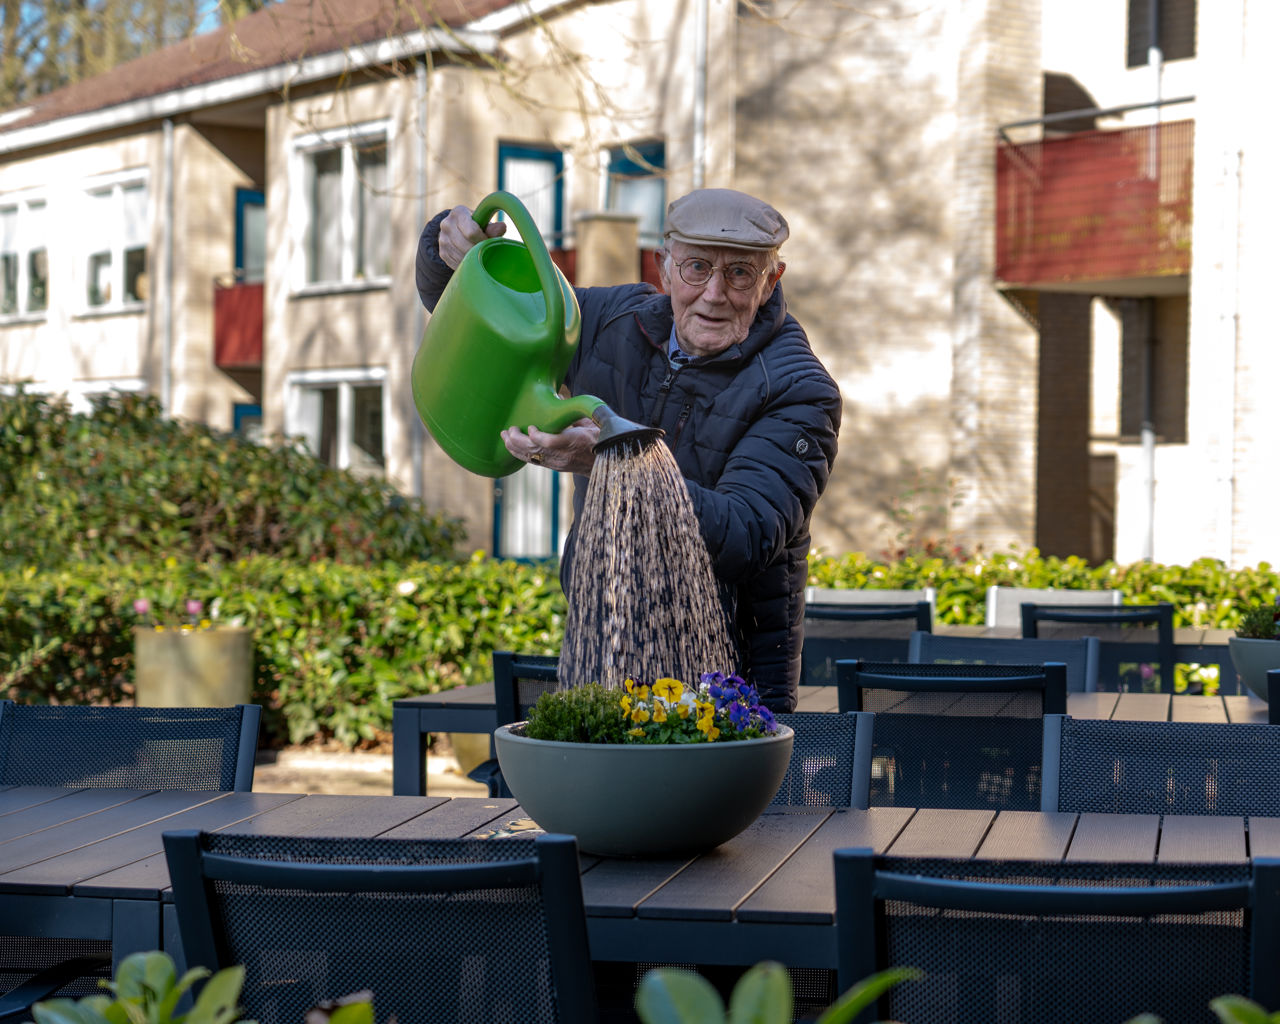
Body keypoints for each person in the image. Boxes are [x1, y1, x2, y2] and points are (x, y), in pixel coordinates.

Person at [416, 187, 841, 711]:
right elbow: (490, 315)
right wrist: (450, 251)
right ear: (665, 267)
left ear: (771, 280)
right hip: (603, 657)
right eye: (697, 268)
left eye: (739, 274)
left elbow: (743, 535)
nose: (714, 294)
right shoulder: (613, 323)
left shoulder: (798, 389)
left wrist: (612, 458)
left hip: (729, 692)